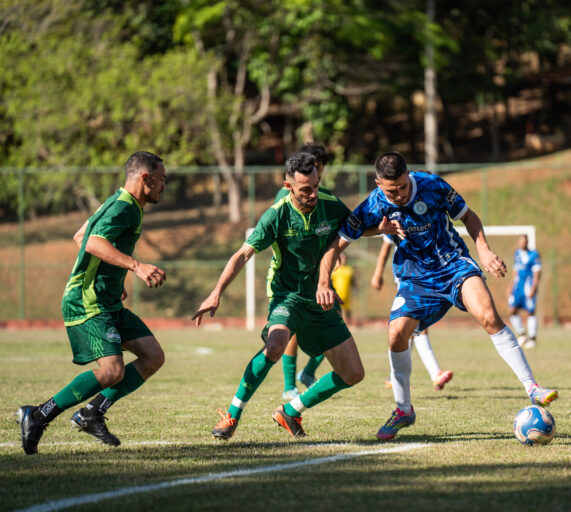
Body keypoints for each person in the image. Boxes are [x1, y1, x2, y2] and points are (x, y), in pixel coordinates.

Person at [317, 151, 558, 441]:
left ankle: (532, 387)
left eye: (404, 186)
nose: (400, 194)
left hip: (453, 265)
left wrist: (483, 250)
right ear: (379, 183)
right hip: (415, 278)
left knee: (489, 315)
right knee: (396, 334)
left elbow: (468, 216)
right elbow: (336, 245)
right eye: (392, 190)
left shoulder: (433, 186)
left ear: (409, 176)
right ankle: (403, 409)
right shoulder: (373, 204)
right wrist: (323, 281)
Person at [192, 151, 364, 440]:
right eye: (305, 189)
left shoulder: (331, 205)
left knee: (354, 373)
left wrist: (380, 227)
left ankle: (292, 410)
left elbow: (356, 228)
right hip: (287, 296)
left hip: (320, 299)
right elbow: (242, 254)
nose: (313, 194)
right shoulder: (277, 214)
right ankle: (232, 416)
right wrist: (215, 292)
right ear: (289, 187)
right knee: (275, 345)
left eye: (316, 185)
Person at [16, 151, 168, 455]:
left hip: (107, 299)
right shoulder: (123, 208)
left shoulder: (121, 203)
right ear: (145, 178)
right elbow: (93, 242)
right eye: (162, 180)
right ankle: (38, 415)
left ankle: (92, 412)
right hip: (87, 302)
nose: (165, 186)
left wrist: (110, 277)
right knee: (112, 371)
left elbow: (80, 234)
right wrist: (135, 267)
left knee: (152, 356)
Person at [276, 142, 329, 399]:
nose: (315, 174)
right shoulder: (284, 199)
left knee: (332, 323)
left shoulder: (324, 197)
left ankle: (308, 373)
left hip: (319, 278)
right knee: (292, 330)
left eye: (318, 169)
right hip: (291, 281)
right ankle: (289, 385)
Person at [371, 236, 453, 391]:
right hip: (407, 278)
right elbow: (386, 246)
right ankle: (435, 373)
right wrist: (378, 273)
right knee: (415, 325)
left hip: (426, 275)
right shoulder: (397, 215)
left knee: (411, 329)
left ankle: (394, 375)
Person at [506, 234, 542, 349]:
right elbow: (515, 272)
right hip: (518, 287)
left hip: (528, 286)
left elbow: (537, 273)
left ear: (527, 242)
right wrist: (510, 287)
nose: (523, 243)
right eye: (521, 241)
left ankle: (532, 338)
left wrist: (534, 287)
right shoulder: (517, 254)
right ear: (518, 242)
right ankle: (522, 334)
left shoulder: (534, 255)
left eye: (525, 241)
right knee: (512, 310)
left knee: (530, 311)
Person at [331, 252, 355, 325]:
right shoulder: (334, 270)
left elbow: (353, 282)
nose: (343, 260)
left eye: (344, 258)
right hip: (336, 294)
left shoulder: (349, 270)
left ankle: (349, 324)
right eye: (341, 258)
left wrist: (355, 289)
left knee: (347, 310)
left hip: (346, 294)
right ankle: (337, 324)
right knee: (336, 310)